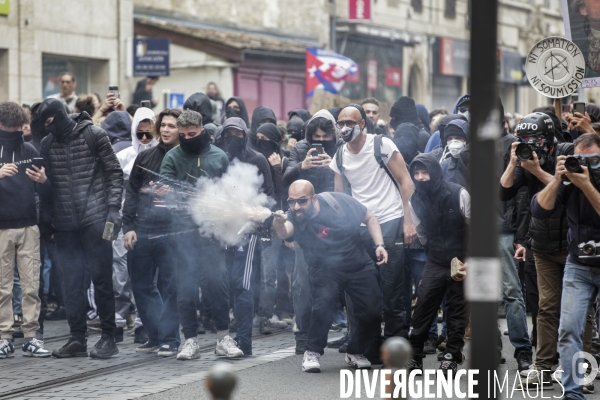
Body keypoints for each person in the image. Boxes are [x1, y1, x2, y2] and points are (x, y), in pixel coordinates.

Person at [500, 112, 595, 387]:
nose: (531, 144)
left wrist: (537, 171)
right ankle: (543, 367)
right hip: (541, 244)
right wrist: (513, 162)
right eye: (525, 139)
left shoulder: (566, 151)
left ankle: (583, 370)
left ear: (549, 137)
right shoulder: (525, 157)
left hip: (572, 244)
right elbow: (503, 193)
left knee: (581, 310)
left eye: (535, 138)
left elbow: (567, 186)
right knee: (546, 308)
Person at [38, 98, 123, 359]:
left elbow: (114, 173)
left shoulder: (93, 134)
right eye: (45, 123)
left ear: (62, 115)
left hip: (96, 220)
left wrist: (112, 208)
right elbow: (48, 188)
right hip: (64, 225)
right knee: (71, 284)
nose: (49, 126)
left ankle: (108, 337)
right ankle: (77, 338)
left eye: (51, 121)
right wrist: (47, 221)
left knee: (102, 280)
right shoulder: (47, 143)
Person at [272, 180, 386, 372]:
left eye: (302, 201)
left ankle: (356, 351)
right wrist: (278, 222)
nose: (296, 206)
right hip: (324, 268)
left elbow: (370, 218)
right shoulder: (293, 216)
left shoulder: (339, 202)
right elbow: (285, 233)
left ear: (314, 198)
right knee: (324, 303)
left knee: (372, 313)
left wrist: (380, 245)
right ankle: (312, 351)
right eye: (291, 202)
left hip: (357, 264)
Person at [331, 106, 416, 360]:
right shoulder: (339, 156)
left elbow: (406, 181)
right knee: (364, 294)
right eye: (341, 122)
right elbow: (339, 199)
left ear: (362, 124)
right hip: (360, 227)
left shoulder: (382, 145)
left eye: (350, 122)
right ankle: (371, 346)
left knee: (392, 291)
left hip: (390, 220)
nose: (345, 127)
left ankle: (396, 349)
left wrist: (408, 220)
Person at [159, 109, 241, 360]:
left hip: (213, 230)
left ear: (203, 131)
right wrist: (164, 192)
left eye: (192, 134)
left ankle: (223, 337)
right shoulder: (172, 156)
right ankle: (190, 340)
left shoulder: (219, 156)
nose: (187, 138)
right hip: (183, 231)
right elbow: (164, 187)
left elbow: (231, 190)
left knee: (218, 283)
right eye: (182, 135)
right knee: (186, 286)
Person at [531, 133, 600, 400]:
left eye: (592, 160)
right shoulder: (570, 178)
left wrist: (586, 185)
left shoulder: (583, 182)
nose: (584, 166)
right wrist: (558, 177)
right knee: (568, 328)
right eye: (579, 160)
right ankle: (572, 393)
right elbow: (540, 210)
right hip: (579, 264)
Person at [123, 108, 182, 357]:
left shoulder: (185, 158)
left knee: (170, 287)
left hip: (172, 233)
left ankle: (170, 338)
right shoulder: (145, 157)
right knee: (141, 287)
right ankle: (155, 334)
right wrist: (128, 228)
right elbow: (132, 192)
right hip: (142, 231)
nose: (167, 130)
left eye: (172, 126)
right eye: (164, 125)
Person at [406, 153, 470, 376]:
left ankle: (452, 355)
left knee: (457, 308)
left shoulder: (458, 193)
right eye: (417, 173)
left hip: (463, 258)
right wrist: (432, 253)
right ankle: (414, 356)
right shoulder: (414, 199)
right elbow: (421, 232)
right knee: (423, 304)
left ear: (435, 172)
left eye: (425, 172)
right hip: (435, 259)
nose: (422, 177)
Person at [215, 116, 274, 349]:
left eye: (237, 134)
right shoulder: (218, 158)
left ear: (245, 135)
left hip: (248, 231)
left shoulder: (257, 159)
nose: (233, 138)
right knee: (222, 284)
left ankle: (245, 341)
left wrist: (255, 221)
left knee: (243, 284)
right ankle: (226, 337)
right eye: (228, 133)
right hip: (220, 229)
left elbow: (268, 196)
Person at [0, 102, 51, 358]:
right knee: (2, 286)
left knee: (31, 284)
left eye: (18, 128)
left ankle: (31, 335)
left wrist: (43, 181)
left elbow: (45, 191)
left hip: (29, 225)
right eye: (9, 128)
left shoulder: (30, 148)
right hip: (2, 228)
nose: (14, 132)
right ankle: (4, 336)